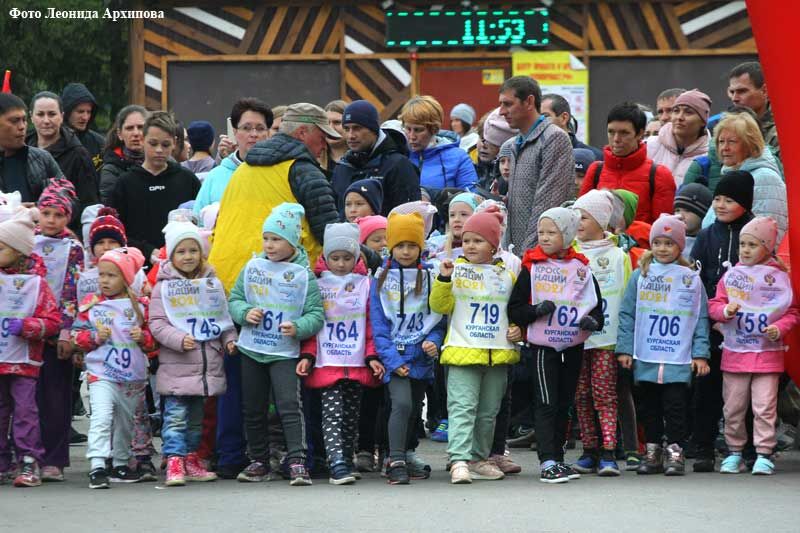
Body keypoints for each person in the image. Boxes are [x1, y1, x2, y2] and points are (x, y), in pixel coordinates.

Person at [228, 203, 323, 486]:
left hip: (284, 351)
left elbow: (316, 314)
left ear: (293, 241)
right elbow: (235, 299)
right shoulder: (253, 267)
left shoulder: (303, 274)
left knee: (288, 405)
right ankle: (259, 459)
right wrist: (245, 313)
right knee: (253, 407)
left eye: (277, 239)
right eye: (266, 238)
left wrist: (299, 327)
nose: (269, 245)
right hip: (253, 348)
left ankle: (296, 460)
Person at [508, 207, 604, 483]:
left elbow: (597, 308)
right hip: (543, 346)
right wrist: (536, 310)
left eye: (552, 232)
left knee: (564, 403)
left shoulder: (581, 268)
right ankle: (547, 461)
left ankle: (559, 459)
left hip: (572, 345)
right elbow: (515, 309)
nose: (545, 237)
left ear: (568, 234)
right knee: (546, 401)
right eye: (541, 232)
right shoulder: (532, 267)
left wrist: (592, 322)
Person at [430, 207, 521, 484]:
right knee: (462, 407)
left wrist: (518, 328)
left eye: (478, 240)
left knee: (488, 412)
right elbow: (439, 305)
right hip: (463, 350)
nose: (470, 245)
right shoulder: (454, 270)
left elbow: (514, 309)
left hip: (497, 353)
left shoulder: (507, 274)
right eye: (467, 240)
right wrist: (443, 280)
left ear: (493, 245)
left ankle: (479, 459)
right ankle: (458, 459)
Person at [617, 215, 711, 476]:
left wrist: (701, 354)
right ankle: (653, 451)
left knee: (675, 407)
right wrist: (625, 349)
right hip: (647, 355)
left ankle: (676, 451)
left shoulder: (690, 278)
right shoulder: (641, 275)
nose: (662, 248)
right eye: (657, 242)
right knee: (649, 408)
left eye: (669, 243)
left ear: (680, 246)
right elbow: (627, 313)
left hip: (677, 358)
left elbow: (700, 317)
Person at [709, 217, 800, 475]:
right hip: (736, 353)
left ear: (768, 247)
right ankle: (734, 452)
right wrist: (725, 311)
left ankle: (764, 453)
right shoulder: (732, 275)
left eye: (752, 245)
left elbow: (792, 311)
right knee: (733, 407)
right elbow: (714, 305)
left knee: (764, 407)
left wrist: (779, 328)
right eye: (742, 244)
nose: (745, 250)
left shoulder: (780, 277)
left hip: (767, 355)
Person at [296, 222, 385, 484]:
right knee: (332, 414)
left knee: (350, 417)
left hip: (356, 361)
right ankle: (336, 463)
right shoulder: (317, 284)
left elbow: (370, 324)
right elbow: (314, 324)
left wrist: (372, 355)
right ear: (326, 257)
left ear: (357, 257)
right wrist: (308, 355)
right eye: (335, 258)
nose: (341, 264)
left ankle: (346, 458)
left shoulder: (365, 284)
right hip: (327, 361)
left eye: (347, 257)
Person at [150, 221, 237, 486]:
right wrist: (178, 339)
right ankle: (174, 460)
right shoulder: (164, 288)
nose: (188, 256)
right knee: (175, 418)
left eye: (193, 250)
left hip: (205, 368)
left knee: (197, 421)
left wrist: (230, 340)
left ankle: (191, 459)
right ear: (171, 255)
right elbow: (156, 323)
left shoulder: (212, 284)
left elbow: (222, 319)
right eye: (181, 251)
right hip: (177, 366)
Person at [71, 246, 156, 489]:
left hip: (131, 376)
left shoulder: (140, 306)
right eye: (101, 274)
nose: (105, 280)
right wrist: (94, 337)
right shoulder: (92, 305)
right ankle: (98, 464)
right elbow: (77, 336)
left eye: (112, 275)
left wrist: (143, 338)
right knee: (102, 416)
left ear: (126, 278)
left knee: (125, 421)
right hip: (101, 373)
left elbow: (153, 341)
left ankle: (120, 462)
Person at [370, 212, 445, 484]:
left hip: (420, 356)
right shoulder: (381, 278)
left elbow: (438, 318)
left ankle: (407, 453)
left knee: (413, 408)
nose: (405, 251)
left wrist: (434, 342)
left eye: (412, 245)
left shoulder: (430, 276)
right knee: (400, 403)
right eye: (399, 245)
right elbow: (378, 325)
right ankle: (395, 459)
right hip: (395, 357)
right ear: (391, 246)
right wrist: (392, 360)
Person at [691, 170, 755, 472]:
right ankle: (703, 446)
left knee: (747, 391)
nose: (720, 205)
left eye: (729, 200)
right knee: (708, 387)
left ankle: (751, 448)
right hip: (713, 324)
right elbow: (696, 279)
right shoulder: (707, 235)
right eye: (717, 198)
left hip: (746, 329)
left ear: (745, 202)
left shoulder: (755, 234)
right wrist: (708, 316)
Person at [571, 190, 631, 477]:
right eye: (575, 217)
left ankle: (609, 451)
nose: (578, 222)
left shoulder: (618, 256)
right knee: (581, 394)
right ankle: (589, 449)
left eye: (584, 217)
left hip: (607, 339)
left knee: (604, 394)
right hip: (574, 339)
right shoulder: (569, 252)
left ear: (601, 221)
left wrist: (626, 342)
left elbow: (628, 299)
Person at [0, 207, 61, 487]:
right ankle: (3, 462)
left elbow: (52, 322)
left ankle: (28, 460)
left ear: (18, 251)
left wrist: (28, 327)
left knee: (25, 411)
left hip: (24, 361)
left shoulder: (36, 284)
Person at [33, 179, 85, 482]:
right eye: (46, 213)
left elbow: (74, 292)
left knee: (56, 397)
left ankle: (54, 459)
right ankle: (28, 455)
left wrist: (68, 333)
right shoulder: (25, 241)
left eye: (58, 214)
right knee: (27, 398)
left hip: (58, 334)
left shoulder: (73, 248)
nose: (51, 220)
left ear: (68, 217)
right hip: (28, 331)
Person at [111, 111, 201, 266]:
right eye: (153, 144)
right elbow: (116, 232)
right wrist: (147, 251)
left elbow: (201, 226)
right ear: (143, 140)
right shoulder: (125, 183)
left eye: (165, 145)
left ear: (174, 143)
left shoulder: (187, 180)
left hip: (183, 268)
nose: (159, 150)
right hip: (138, 267)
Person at [497, 76, 574, 253]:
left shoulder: (554, 138)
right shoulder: (515, 143)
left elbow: (548, 205)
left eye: (508, 104)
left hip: (539, 259)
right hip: (515, 255)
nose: (501, 111)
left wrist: (529, 257)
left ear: (529, 102)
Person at [579, 102, 676, 224]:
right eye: (611, 132)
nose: (616, 139)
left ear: (640, 134)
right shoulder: (595, 170)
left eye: (624, 133)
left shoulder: (659, 175)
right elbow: (581, 218)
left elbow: (662, 228)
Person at [700, 113, 787, 243]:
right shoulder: (729, 174)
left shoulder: (765, 178)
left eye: (732, 142)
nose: (724, 148)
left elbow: (768, 237)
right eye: (721, 141)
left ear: (750, 144)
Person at [331, 100, 420, 216]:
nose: (351, 135)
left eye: (357, 128)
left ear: (373, 130)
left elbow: (409, 217)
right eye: (346, 129)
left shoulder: (398, 165)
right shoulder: (342, 167)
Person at [27, 92, 99, 230]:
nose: (46, 120)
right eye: (40, 114)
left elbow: (88, 203)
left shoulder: (78, 154)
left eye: (52, 114)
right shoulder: (21, 150)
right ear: (31, 116)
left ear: (62, 116)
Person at [193, 98, 272, 219]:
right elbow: (198, 220)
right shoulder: (215, 176)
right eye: (246, 128)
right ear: (235, 131)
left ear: (268, 133)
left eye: (260, 128)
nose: (254, 134)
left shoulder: (279, 173)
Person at [401, 96, 478, 195]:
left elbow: (471, 197)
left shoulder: (458, 157)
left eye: (418, 130)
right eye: (408, 129)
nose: (412, 136)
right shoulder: (399, 154)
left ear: (434, 129)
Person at [0, 93, 65, 203]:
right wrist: (13, 210)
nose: (22, 127)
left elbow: (68, 197)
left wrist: (42, 207)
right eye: (14, 121)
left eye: (24, 120)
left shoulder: (42, 158)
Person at [647, 89, 711, 186]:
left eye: (688, 112)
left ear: (703, 121)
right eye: (676, 111)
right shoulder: (650, 145)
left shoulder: (711, 155)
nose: (679, 117)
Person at [727, 61, 779, 161]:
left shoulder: (784, 131)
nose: (734, 98)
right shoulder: (725, 126)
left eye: (742, 91)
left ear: (764, 91)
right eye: (732, 92)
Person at [99, 105, 148, 206]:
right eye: (129, 128)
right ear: (119, 134)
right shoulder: (111, 169)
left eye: (141, 127)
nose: (136, 133)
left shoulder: (164, 161)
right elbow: (109, 206)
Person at [541, 93, 602, 160]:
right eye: (536, 119)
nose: (538, 123)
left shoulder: (594, 157)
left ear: (564, 118)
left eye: (545, 116)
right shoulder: (534, 155)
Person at [60, 83, 106, 170]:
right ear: (66, 112)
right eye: (80, 112)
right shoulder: (53, 141)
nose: (85, 117)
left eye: (89, 112)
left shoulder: (99, 143)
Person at [475, 107, 517, 195]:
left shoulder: (508, 175)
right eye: (481, 138)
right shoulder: (470, 163)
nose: (484, 145)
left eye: (490, 141)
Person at [673, 183, 712, 259]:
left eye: (687, 210)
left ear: (703, 215)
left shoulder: (709, 243)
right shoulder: (668, 239)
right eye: (677, 210)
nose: (680, 216)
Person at [324, 100, 348, 164]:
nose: (331, 128)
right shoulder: (314, 159)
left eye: (337, 122)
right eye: (326, 123)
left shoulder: (364, 159)